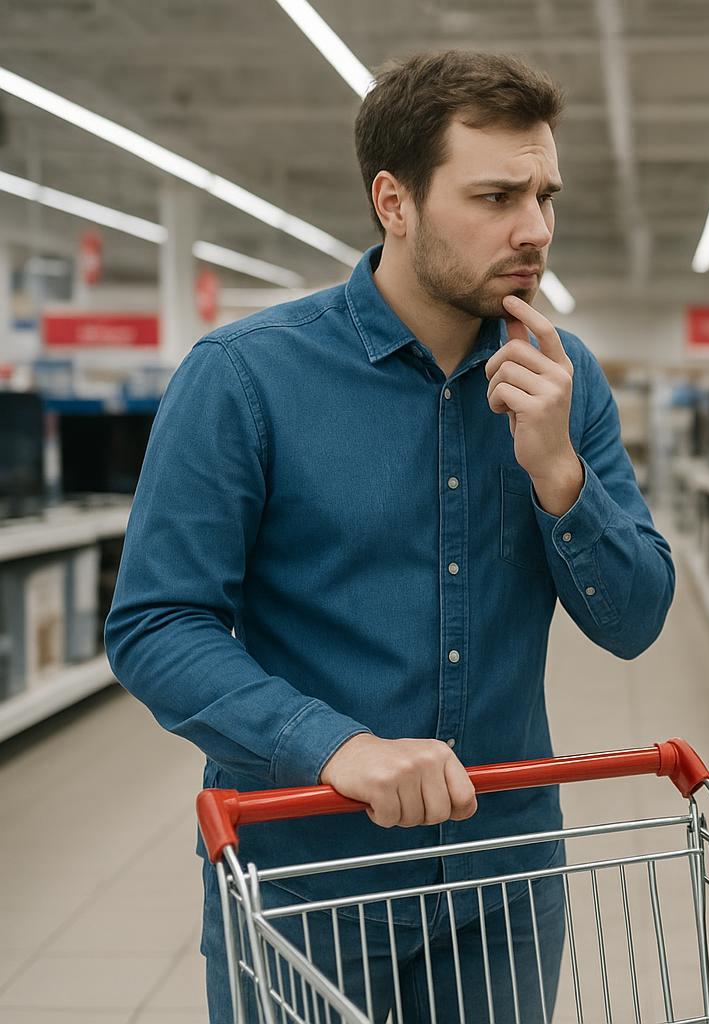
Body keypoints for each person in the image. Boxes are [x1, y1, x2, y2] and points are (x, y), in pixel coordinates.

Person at [103, 50, 674, 1022]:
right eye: (495, 195)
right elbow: (158, 623)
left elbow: (635, 620)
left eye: (545, 194)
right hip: (306, 871)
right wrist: (336, 747)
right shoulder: (245, 376)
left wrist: (557, 474)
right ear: (393, 200)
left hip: (503, 877)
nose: (534, 228)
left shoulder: (561, 373)